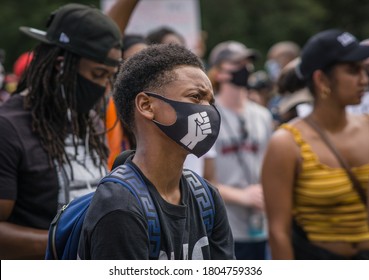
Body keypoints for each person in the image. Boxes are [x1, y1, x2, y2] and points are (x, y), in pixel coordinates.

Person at [78, 44, 235, 260]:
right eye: (196, 97)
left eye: (211, 101)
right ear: (147, 105)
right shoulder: (120, 207)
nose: (208, 110)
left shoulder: (206, 197)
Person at [0, 3, 122, 259]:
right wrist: (70, 240)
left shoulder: (88, 122)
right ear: (60, 65)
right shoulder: (8, 127)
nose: (103, 87)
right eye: (98, 74)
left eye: (109, 77)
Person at [262, 29, 369, 259]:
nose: (364, 79)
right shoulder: (287, 143)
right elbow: (279, 232)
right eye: (353, 70)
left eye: (364, 69)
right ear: (321, 79)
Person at [207, 40, 273, 260]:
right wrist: (242, 196)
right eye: (237, 64)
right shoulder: (208, 116)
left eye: (248, 63)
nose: (245, 69)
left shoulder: (262, 115)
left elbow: (269, 166)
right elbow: (203, 179)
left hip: (261, 224)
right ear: (220, 72)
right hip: (225, 228)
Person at [106, 34, 148, 170]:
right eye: (131, 62)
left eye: (146, 62)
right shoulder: (106, 105)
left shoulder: (155, 106)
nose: (140, 70)